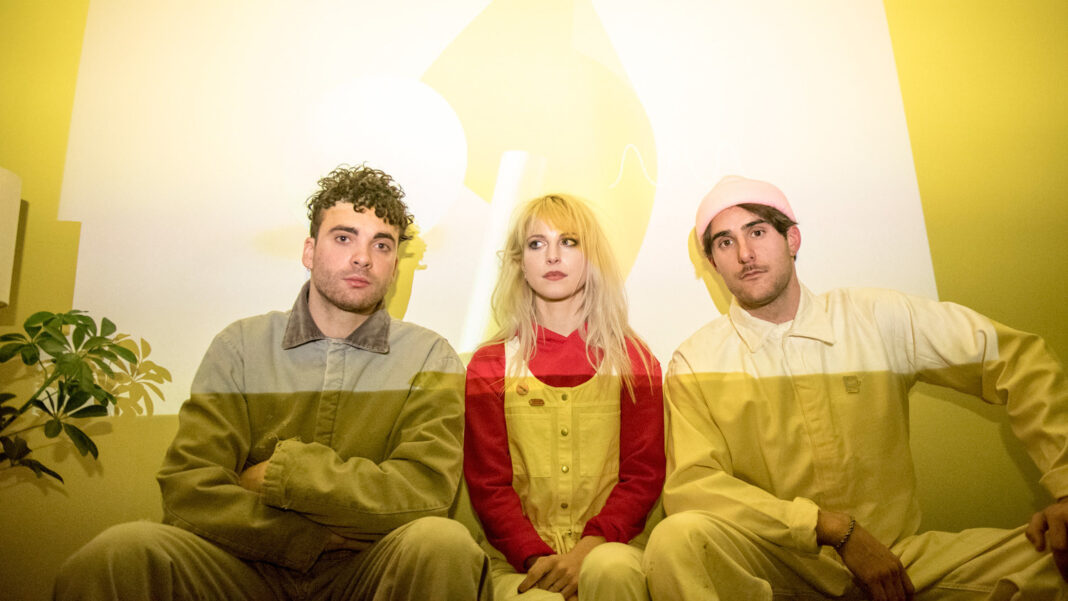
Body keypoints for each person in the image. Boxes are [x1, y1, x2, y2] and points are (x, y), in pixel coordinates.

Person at [54, 165, 490, 601]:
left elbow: (423, 493)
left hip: (369, 571)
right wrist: (312, 538)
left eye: (381, 244)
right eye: (344, 238)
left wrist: (283, 474)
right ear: (309, 251)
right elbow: (190, 490)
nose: (363, 257)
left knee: (443, 544)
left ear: (394, 266)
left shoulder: (430, 356)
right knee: (117, 552)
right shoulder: (240, 345)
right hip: (243, 568)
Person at [644, 175, 1068, 601]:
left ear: (792, 239)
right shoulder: (696, 362)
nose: (745, 254)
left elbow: (1016, 358)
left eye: (757, 232)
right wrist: (825, 527)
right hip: (783, 570)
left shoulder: (875, 317)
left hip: (900, 563)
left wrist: (1067, 487)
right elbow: (694, 486)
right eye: (725, 242)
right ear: (713, 263)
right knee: (677, 540)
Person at [464, 193, 665, 601]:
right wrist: (537, 558)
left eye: (569, 242)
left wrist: (588, 551)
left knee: (611, 573)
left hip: (615, 552)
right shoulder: (489, 365)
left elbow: (643, 476)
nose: (553, 256)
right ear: (519, 263)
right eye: (537, 244)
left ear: (591, 258)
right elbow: (489, 485)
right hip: (517, 562)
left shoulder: (636, 361)